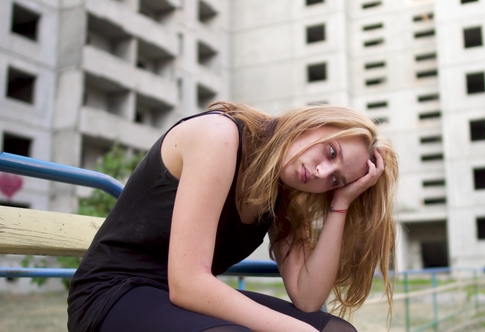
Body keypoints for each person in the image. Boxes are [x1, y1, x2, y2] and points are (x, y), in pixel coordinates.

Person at [67, 101, 398, 332]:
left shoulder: (282, 191)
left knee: (336, 330)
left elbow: (308, 297)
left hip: (172, 299)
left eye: (335, 179)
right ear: (316, 124)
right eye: (330, 152)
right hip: (111, 295)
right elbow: (188, 285)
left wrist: (341, 201)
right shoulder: (219, 134)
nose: (322, 172)